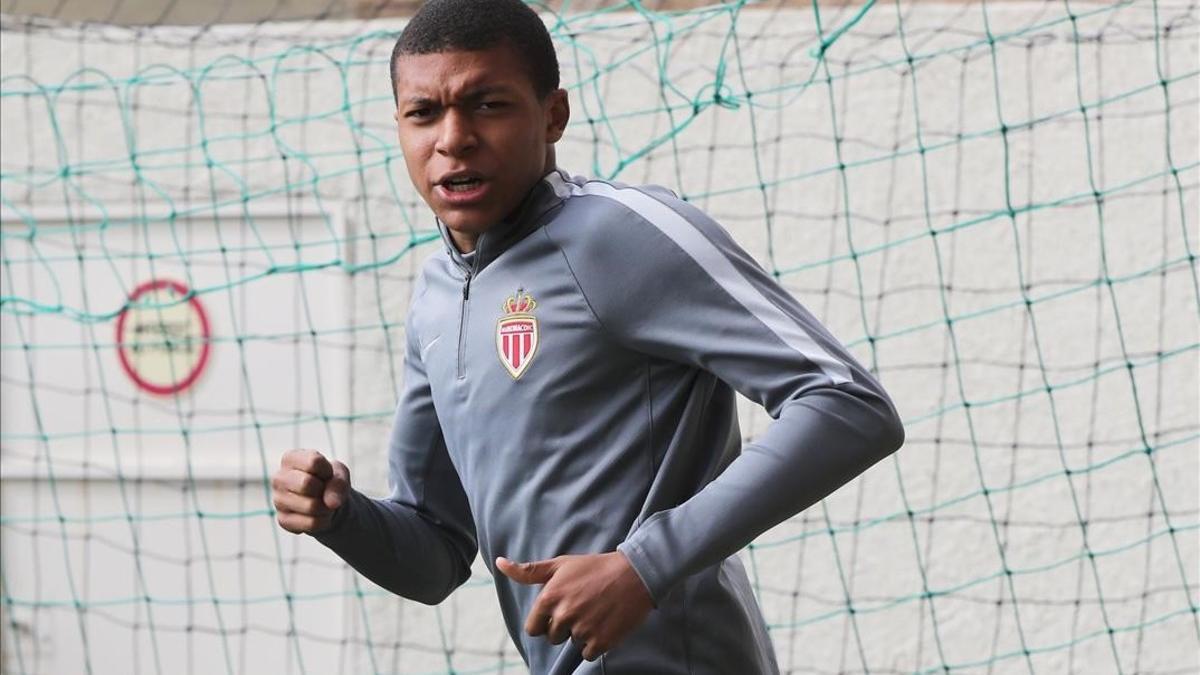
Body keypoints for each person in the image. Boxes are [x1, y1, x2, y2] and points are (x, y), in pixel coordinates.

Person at [270, 0, 905, 672]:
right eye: (423, 113)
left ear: (554, 115)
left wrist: (644, 564)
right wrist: (340, 518)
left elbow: (849, 403)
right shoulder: (435, 297)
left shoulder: (620, 236)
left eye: (488, 104)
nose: (452, 138)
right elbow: (435, 557)